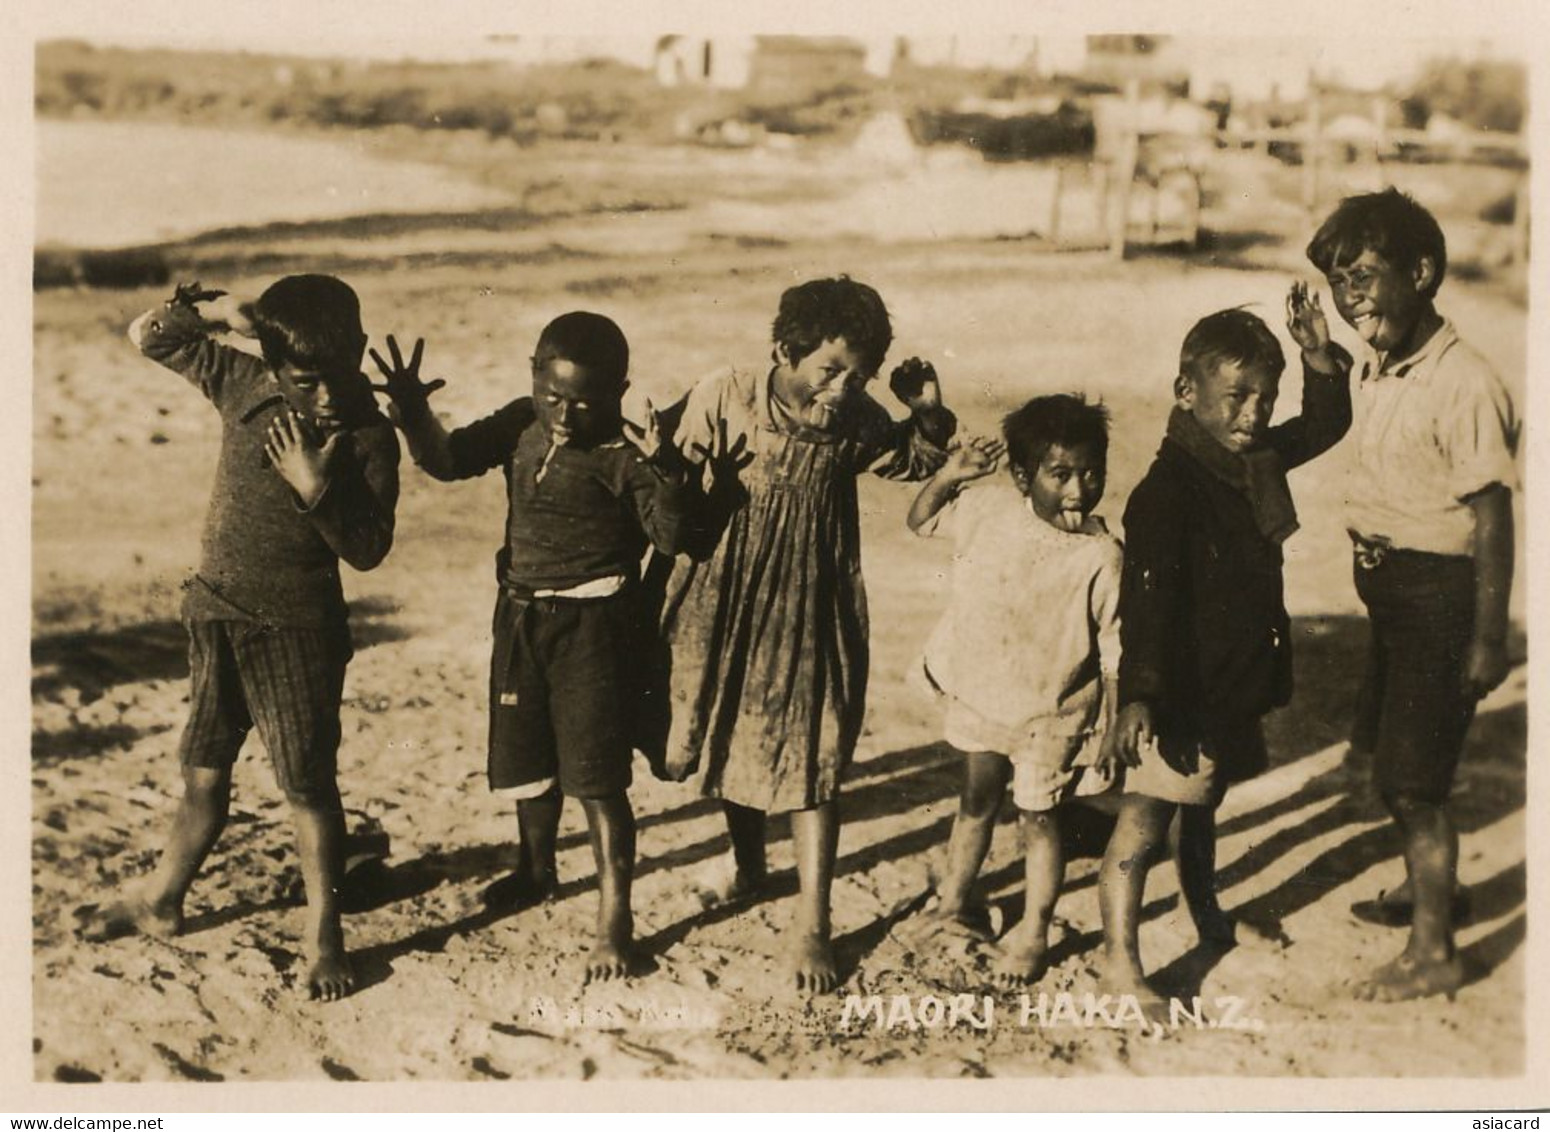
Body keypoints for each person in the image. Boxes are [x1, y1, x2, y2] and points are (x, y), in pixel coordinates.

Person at [79, 276, 401, 1002]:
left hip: (298, 631)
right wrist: (225, 315)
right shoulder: (243, 381)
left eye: (336, 377)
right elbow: (151, 336)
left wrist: (317, 489)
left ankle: (325, 937)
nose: (321, 397)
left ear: (359, 351)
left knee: (308, 787)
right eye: (304, 381)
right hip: (216, 610)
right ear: (272, 360)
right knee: (202, 769)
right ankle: (162, 900)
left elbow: (370, 547)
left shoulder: (371, 436)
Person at [642, 277, 957, 993]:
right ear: (783, 349)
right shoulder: (727, 394)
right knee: (736, 735)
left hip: (812, 601)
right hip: (721, 599)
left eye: (862, 375)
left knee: (813, 750)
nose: (845, 388)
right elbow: (668, 484)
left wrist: (928, 414)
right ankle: (751, 866)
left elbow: (909, 460)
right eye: (830, 369)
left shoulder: (855, 417)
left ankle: (812, 923)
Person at [369, 313, 692, 984]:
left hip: (595, 632)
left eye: (586, 400)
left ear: (620, 391)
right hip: (519, 618)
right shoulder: (522, 421)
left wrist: (664, 466)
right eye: (554, 394)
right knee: (528, 757)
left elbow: (672, 534)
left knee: (597, 780)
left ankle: (614, 927)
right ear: (533, 375)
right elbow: (448, 460)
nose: (567, 412)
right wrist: (411, 413)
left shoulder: (624, 456)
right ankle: (536, 870)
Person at [1102, 301, 1352, 1010]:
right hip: (1176, 694)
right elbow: (1146, 606)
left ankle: (1206, 916)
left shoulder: (1251, 459)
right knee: (1145, 823)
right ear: (1187, 393)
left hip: (1225, 684)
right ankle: (1119, 964)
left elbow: (1326, 424)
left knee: (1203, 806)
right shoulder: (1166, 493)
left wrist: (1317, 358)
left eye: (1265, 399)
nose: (1254, 414)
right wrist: (1140, 696)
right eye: (1236, 397)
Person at [1305, 188, 1518, 1001]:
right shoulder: (1384, 360)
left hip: (1439, 601)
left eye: (1363, 276)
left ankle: (1435, 951)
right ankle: (1425, 890)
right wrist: (1321, 350)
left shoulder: (1463, 383)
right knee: (1398, 754)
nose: (1350, 297)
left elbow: (1493, 515)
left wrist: (1488, 636)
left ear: (1421, 272)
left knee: (1413, 783)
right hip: (1394, 602)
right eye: (1337, 282)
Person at [906, 395, 1124, 986]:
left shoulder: (1102, 554)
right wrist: (950, 473)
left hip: (1050, 717)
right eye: (1060, 475)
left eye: (1091, 473)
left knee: (1039, 821)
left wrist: (1110, 726)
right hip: (983, 697)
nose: (1079, 489)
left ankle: (1033, 930)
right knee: (976, 802)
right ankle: (954, 901)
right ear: (1024, 478)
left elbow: (1113, 648)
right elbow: (921, 519)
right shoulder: (989, 512)